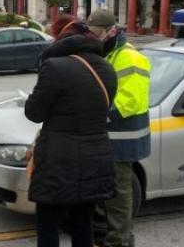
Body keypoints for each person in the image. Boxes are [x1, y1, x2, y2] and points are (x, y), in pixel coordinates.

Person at [25, 14, 117, 247]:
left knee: (49, 227)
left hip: (58, 161)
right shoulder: (107, 69)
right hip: (96, 158)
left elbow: (34, 113)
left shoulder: (54, 67)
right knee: (83, 225)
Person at [86, 10, 151, 247]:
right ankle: (108, 237)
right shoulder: (108, 53)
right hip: (108, 138)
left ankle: (121, 242)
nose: (94, 38)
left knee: (119, 196)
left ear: (112, 30)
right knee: (108, 193)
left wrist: (96, 114)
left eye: (97, 34)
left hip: (123, 139)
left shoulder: (130, 58)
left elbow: (130, 101)